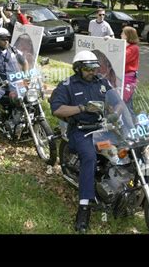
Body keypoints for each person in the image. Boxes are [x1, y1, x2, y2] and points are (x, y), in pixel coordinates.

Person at [50, 50, 113, 233]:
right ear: (78, 69)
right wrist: (82, 108)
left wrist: (117, 111)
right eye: (88, 68)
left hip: (103, 128)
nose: (92, 72)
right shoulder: (67, 85)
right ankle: (84, 207)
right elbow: (57, 109)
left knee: (130, 149)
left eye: (94, 68)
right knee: (89, 156)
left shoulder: (102, 82)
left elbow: (115, 102)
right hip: (80, 130)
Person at [120, 26, 139, 119]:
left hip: (129, 78)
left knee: (126, 102)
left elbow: (123, 57)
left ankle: (133, 125)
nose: (121, 34)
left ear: (128, 35)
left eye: (123, 33)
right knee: (124, 102)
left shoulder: (133, 48)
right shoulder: (127, 46)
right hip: (124, 77)